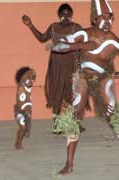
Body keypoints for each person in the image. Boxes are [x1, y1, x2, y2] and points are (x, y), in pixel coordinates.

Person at [50, 0, 119, 175]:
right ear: (95, 19)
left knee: (113, 113)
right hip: (83, 77)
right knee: (74, 117)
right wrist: (81, 46)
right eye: (104, 17)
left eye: (111, 18)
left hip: (104, 78)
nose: (108, 22)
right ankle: (69, 164)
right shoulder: (84, 34)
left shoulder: (114, 41)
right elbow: (57, 46)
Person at [22, 4, 85, 127]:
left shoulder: (76, 28)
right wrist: (30, 25)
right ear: (59, 15)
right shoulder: (53, 27)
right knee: (57, 93)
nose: (66, 16)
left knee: (72, 93)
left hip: (72, 64)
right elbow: (42, 38)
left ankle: (74, 123)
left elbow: (83, 44)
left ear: (71, 16)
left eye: (68, 14)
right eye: (63, 14)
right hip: (56, 64)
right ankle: (57, 124)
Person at [14, 67, 36, 150]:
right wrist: (24, 111)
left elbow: (30, 82)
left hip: (27, 111)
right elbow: (20, 102)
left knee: (25, 128)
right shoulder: (21, 87)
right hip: (20, 111)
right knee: (23, 128)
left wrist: (32, 74)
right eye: (28, 75)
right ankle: (18, 144)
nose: (31, 78)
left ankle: (18, 142)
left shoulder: (27, 86)